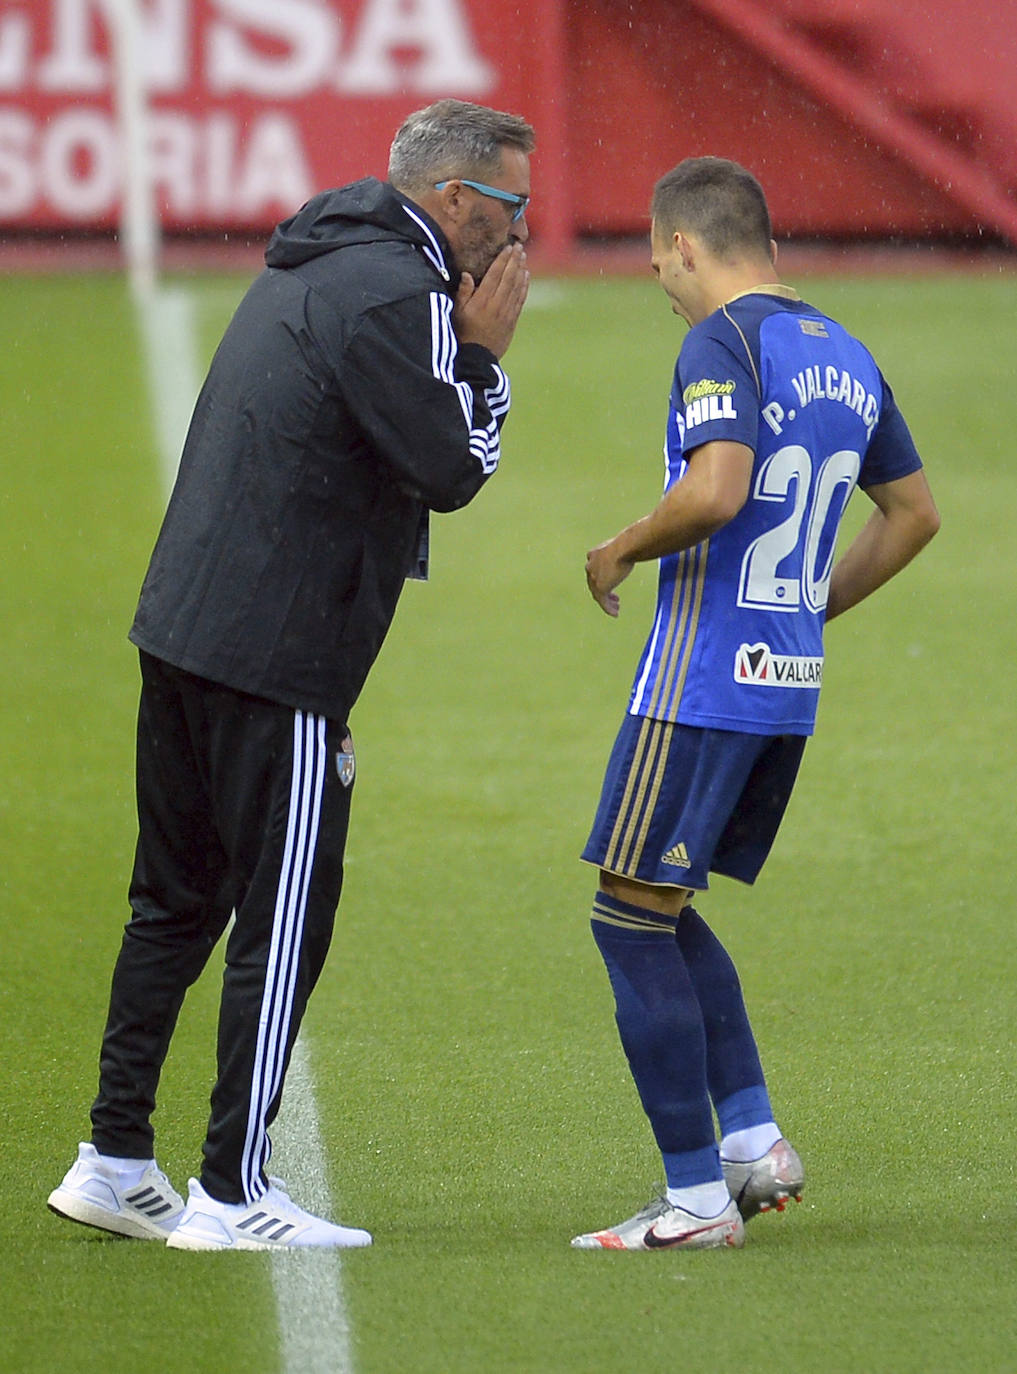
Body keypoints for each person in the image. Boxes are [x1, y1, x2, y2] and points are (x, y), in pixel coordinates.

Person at [48, 98, 534, 1251]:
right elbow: (448, 464)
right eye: (511, 205)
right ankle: (231, 1190)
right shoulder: (403, 293)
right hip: (280, 656)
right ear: (453, 200)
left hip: (184, 628)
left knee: (172, 903)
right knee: (285, 920)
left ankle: (114, 1156)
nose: (524, 231)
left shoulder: (320, 255)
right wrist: (484, 361)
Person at [572, 157, 939, 1252]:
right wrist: (808, 613)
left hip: (699, 679)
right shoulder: (846, 352)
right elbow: (913, 513)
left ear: (685, 244)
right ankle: (750, 1141)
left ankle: (692, 1200)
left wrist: (622, 545)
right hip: (783, 686)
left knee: (628, 921)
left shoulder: (719, 342)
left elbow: (720, 487)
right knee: (666, 910)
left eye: (656, 260)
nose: (657, 282)